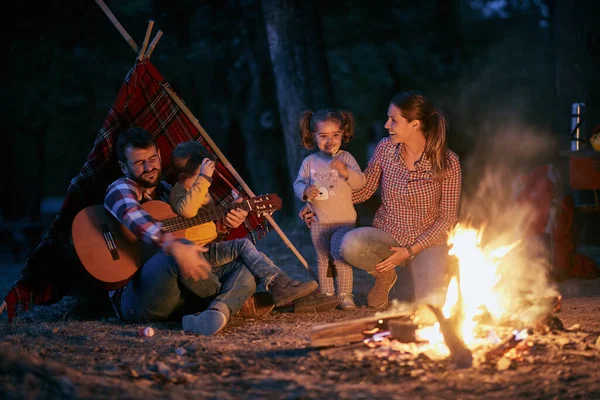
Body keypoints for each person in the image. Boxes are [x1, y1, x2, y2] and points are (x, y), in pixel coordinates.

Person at [301, 91, 462, 310]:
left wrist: (411, 250)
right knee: (348, 244)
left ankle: (415, 275)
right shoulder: (385, 148)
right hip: (387, 235)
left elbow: (447, 220)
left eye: (394, 120)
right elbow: (365, 190)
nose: (387, 125)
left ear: (415, 124)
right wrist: (319, 206)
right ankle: (386, 277)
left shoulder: (448, 162)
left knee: (430, 307)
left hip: (427, 241)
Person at [104, 127, 257, 336]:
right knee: (176, 253)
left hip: (178, 295)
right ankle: (235, 300)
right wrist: (172, 244)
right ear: (124, 167)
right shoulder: (121, 188)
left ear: (159, 156)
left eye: (152, 159)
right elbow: (132, 215)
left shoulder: (171, 192)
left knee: (245, 265)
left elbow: (197, 236)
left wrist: (225, 224)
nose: (149, 167)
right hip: (136, 298)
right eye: (139, 163)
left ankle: (215, 312)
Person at [168, 140, 318, 312]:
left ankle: (285, 287)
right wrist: (203, 178)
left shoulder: (203, 191)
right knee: (243, 244)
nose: (207, 182)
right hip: (193, 253)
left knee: (254, 256)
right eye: (199, 177)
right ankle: (279, 285)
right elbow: (187, 210)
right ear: (182, 178)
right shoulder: (179, 190)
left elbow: (204, 219)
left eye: (208, 177)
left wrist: (233, 208)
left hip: (211, 248)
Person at [293, 109, 365, 310]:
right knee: (323, 258)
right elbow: (298, 184)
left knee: (339, 254)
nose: (329, 140)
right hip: (319, 221)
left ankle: (345, 295)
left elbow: (361, 182)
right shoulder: (309, 162)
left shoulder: (346, 159)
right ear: (313, 136)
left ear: (343, 134)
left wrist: (346, 171)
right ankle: (327, 295)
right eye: (323, 136)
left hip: (344, 221)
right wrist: (306, 191)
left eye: (335, 135)